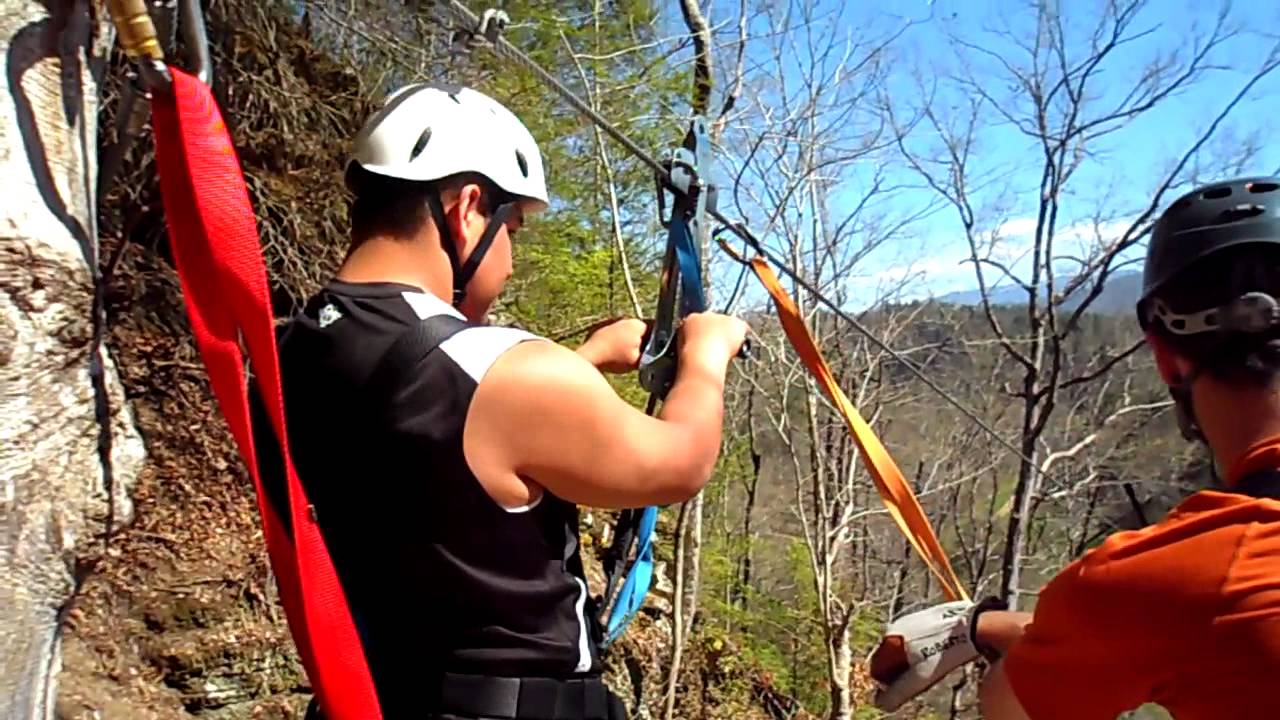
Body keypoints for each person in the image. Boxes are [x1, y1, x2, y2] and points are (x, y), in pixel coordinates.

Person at [262, 83, 748, 719]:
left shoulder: (290, 350)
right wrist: (706, 356)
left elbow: (432, 437)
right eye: (511, 228)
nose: (512, 261)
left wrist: (584, 362)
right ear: (466, 210)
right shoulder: (499, 371)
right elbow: (678, 462)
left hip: (370, 695)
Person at [869, 176, 1280, 719]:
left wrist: (994, 630)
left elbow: (1014, 709)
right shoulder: (1167, 595)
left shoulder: (1164, 582)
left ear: (1164, 355)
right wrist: (986, 626)